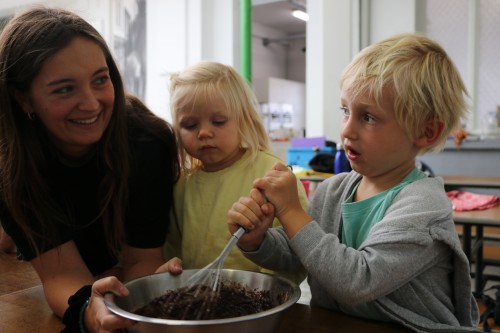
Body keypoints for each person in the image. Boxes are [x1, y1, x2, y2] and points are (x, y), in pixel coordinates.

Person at [227, 33, 480, 332]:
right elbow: (300, 252)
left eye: (368, 117)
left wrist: (293, 212)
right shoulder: (334, 190)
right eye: (346, 111)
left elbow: (357, 281)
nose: (347, 130)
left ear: (426, 132)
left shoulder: (424, 206)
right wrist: (258, 240)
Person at [0, 6, 182, 332]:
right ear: (23, 99)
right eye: (64, 89)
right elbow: (59, 274)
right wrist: (90, 311)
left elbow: (142, 259)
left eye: (100, 80)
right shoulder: (9, 166)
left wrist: (129, 308)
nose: (91, 103)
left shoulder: (146, 141)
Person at [164, 61, 308, 284]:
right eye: (190, 125)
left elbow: (298, 251)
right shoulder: (182, 183)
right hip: (197, 301)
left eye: (218, 121)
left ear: (243, 119)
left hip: (259, 302)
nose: (204, 132)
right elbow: (172, 248)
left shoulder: (272, 174)